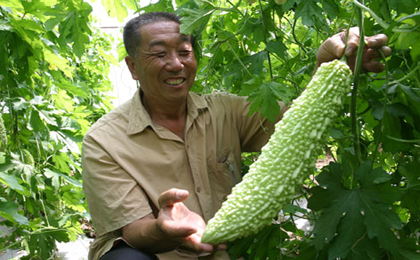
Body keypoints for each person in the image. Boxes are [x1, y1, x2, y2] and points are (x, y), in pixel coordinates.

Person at [82, 11, 390, 260]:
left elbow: (296, 127)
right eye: (159, 54)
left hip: (223, 253)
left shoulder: (224, 109)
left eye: (185, 52)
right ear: (133, 67)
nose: (176, 63)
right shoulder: (104, 141)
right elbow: (133, 230)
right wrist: (165, 230)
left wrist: (326, 67)